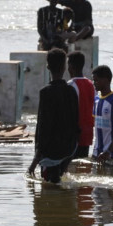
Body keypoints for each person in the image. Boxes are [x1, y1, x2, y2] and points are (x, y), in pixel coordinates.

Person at [27, 48, 80, 183]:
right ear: (64, 68)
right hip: (68, 150)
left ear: (47, 67)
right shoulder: (72, 91)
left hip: (50, 152)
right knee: (61, 186)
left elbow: (44, 126)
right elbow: (76, 122)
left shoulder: (45, 92)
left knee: (49, 189)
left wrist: (36, 159)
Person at [92, 65, 113, 163]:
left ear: (106, 80)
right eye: (93, 80)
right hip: (97, 153)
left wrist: (108, 151)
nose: (94, 83)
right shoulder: (96, 101)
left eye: (96, 80)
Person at [67, 51, 96, 158]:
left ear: (70, 66)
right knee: (82, 165)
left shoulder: (70, 85)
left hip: (74, 134)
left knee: (71, 165)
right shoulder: (91, 84)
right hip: (88, 133)